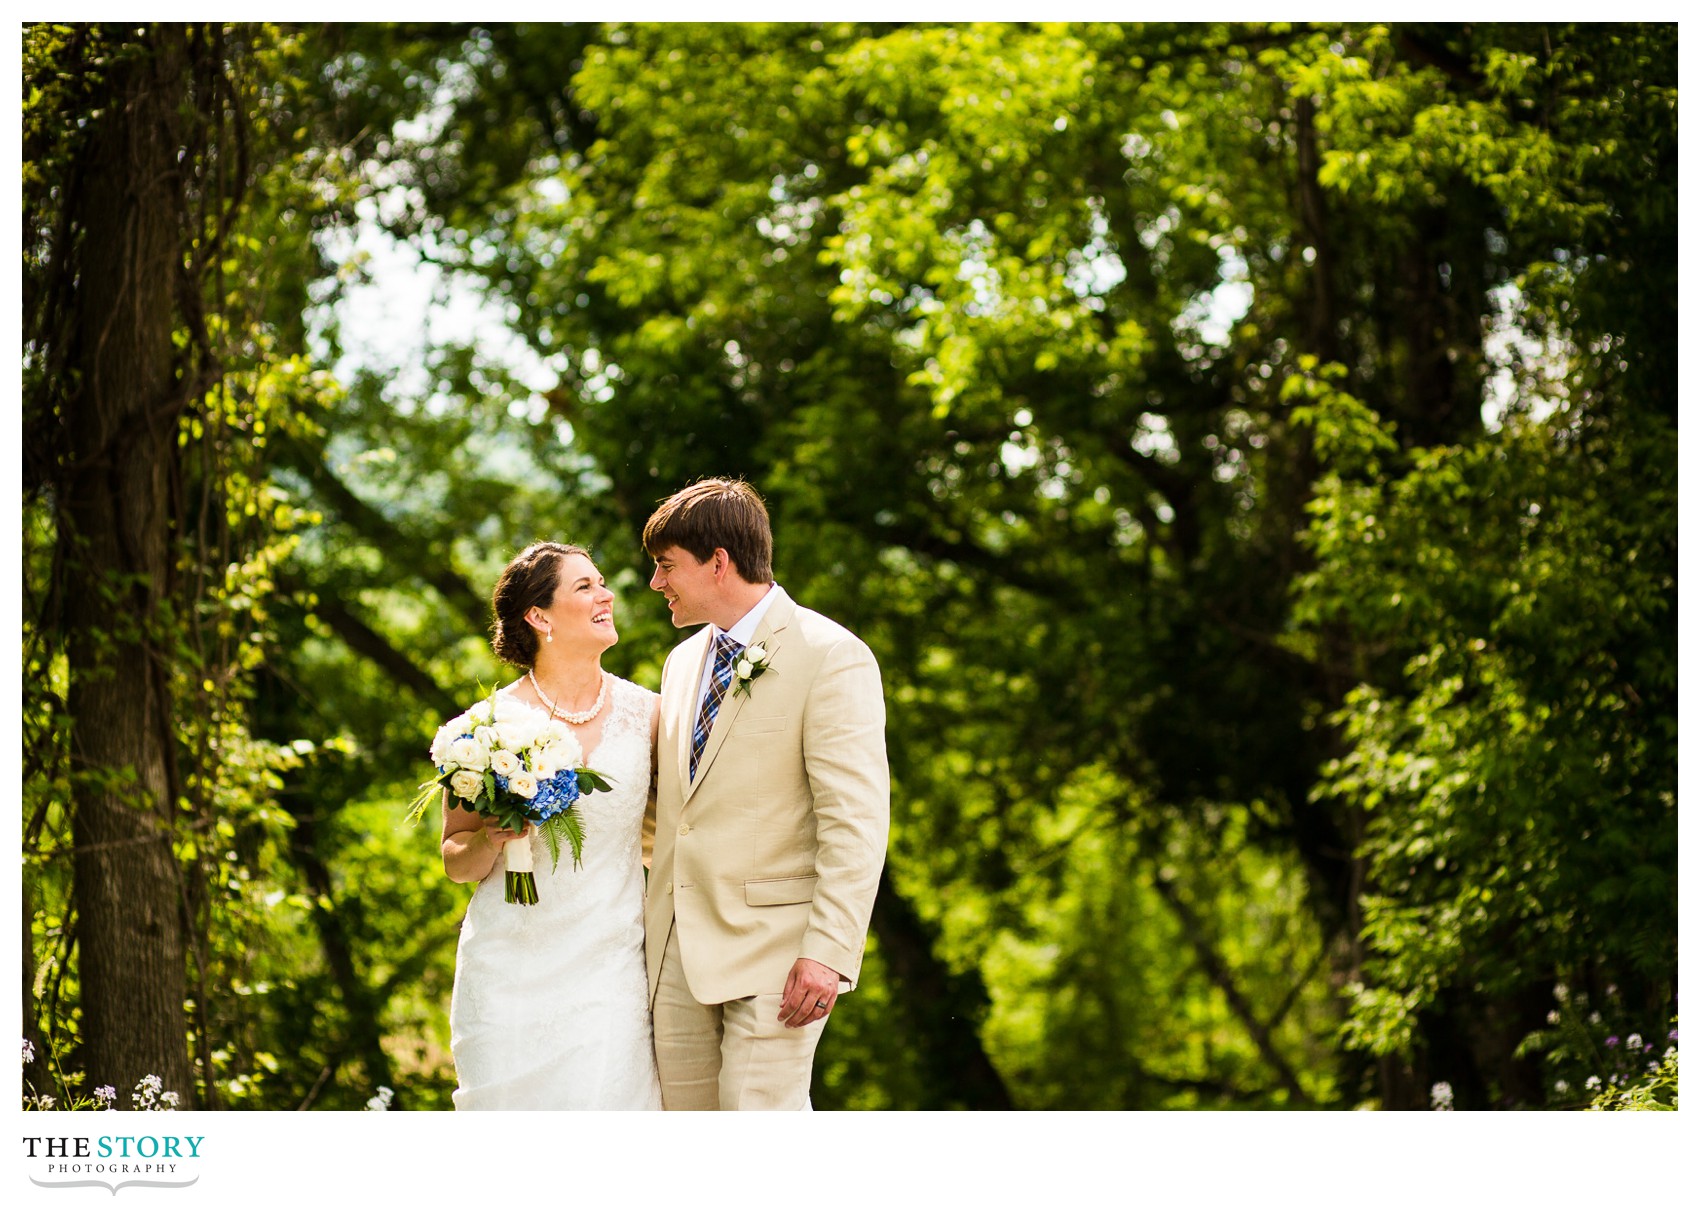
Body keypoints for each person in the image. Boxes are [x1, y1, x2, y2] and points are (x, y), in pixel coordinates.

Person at [642, 479, 890, 1110]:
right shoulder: (680, 664)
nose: (655, 583)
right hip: (675, 955)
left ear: (718, 562)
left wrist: (828, 953)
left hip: (779, 960)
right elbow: (675, 812)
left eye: (667, 566)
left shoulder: (833, 656)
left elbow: (854, 823)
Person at [441, 541, 662, 1110]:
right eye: (585, 586)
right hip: (507, 969)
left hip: (611, 968)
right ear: (539, 617)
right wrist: (491, 839)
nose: (606, 594)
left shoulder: (652, 715)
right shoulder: (484, 730)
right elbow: (455, 859)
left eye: (602, 581)